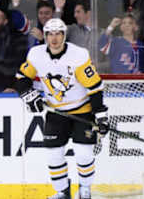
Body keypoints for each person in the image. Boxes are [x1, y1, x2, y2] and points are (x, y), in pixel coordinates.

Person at [14, 18, 109, 199]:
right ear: (46, 36)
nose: (54, 38)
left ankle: (84, 190)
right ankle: (62, 192)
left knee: (83, 155)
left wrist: (101, 116)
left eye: (58, 34)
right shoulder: (36, 54)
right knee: (54, 155)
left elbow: (95, 87)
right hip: (55, 113)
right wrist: (27, 94)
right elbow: (21, 77)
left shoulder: (78, 56)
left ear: (64, 35)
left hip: (82, 111)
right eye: (50, 34)